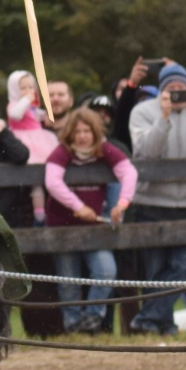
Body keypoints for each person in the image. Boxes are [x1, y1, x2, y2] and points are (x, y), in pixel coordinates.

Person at [128, 62, 186, 335]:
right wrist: (164, 118)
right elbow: (148, 152)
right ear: (162, 89)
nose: (178, 92)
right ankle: (163, 324)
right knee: (156, 271)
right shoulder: (143, 111)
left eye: (182, 87)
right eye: (172, 87)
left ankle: (146, 320)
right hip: (152, 202)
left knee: (185, 265)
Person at [44, 108, 137, 334]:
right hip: (62, 227)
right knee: (68, 280)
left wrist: (122, 203)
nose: (82, 136)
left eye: (87, 131)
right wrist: (78, 206)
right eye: (77, 131)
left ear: (95, 132)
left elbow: (129, 172)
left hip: (94, 227)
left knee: (105, 271)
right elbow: (52, 181)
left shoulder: (104, 150)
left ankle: (92, 318)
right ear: (70, 134)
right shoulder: (62, 152)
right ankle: (72, 324)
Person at [5, 70, 58, 225]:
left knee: (41, 179)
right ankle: (39, 215)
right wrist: (27, 99)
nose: (28, 91)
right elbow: (15, 115)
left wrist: (45, 115)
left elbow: (37, 115)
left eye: (31, 87)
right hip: (24, 142)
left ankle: (43, 213)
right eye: (23, 88)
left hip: (39, 140)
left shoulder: (31, 107)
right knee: (33, 180)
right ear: (14, 89)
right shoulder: (14, 105)